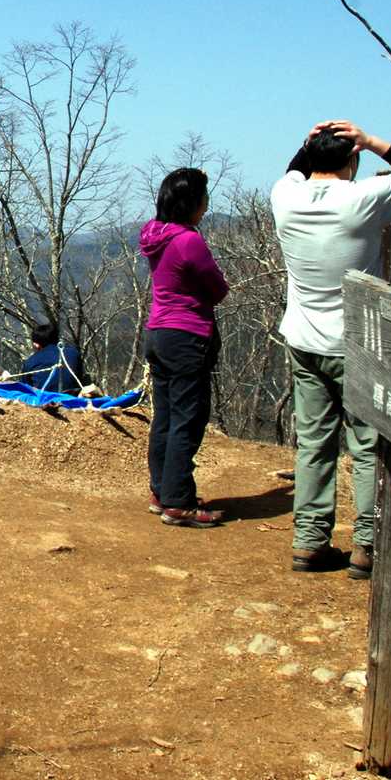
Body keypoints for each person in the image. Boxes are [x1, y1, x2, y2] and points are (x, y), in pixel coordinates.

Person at [272, 119, 391, 578]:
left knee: (313, 444)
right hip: (358, 343)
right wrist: (371, 140)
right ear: (353, 160)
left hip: (303, 339)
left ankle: (309, 542)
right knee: (368, 446)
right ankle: (368, 544)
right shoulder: (363, 198)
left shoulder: (285, 197)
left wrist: (309, 143)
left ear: (310, 158)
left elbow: (294, 170)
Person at [140, 167, 230, 528]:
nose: (207, 205)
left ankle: (162, 491)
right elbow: (218, 289)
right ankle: (178, 501)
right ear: (191, 203)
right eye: (204, 198)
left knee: (164, 416)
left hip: (158, 333)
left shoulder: (154, 233)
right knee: (187, 419)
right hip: (187, 335)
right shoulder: (189, 241)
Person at [19, 321, 85, 394]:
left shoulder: (30, 362)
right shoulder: (73, 353)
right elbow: (81, 377)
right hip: (74, 396)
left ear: (36, 344)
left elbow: (25, 389)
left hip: (45, 399)